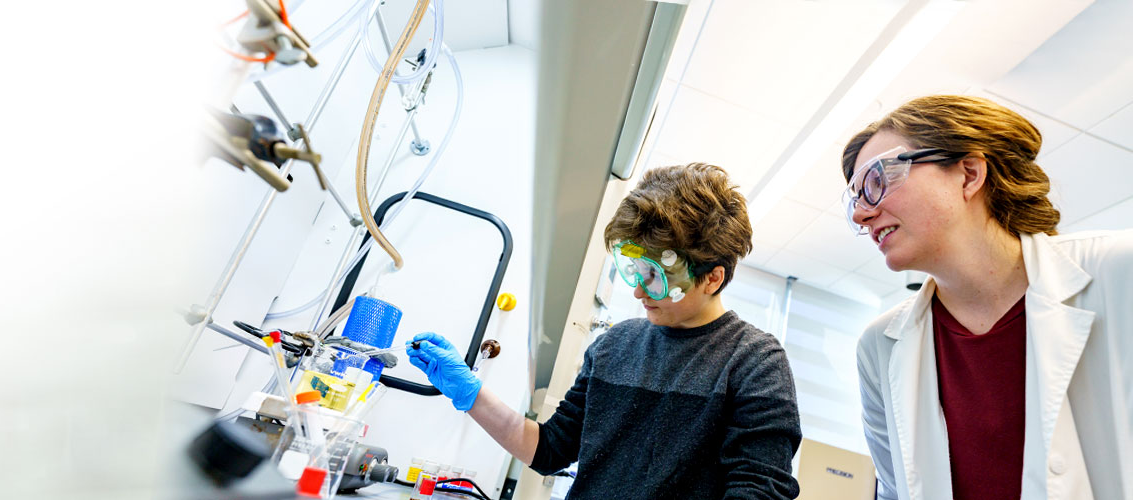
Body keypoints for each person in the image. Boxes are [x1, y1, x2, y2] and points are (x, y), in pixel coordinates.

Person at [406, 163, 802, 499]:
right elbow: (549, 449)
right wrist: (470, 394)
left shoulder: (754, 363)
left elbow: (759, 491)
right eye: (634, 271)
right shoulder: (615, 345)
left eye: (656, 277)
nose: (637, 290)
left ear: (712, 278)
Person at [840, 95, 1133, 500]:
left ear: (969, 174)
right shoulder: (879, 347)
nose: (860, 214)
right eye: (855, 197)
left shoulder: (1120, 272)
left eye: (878, 181)